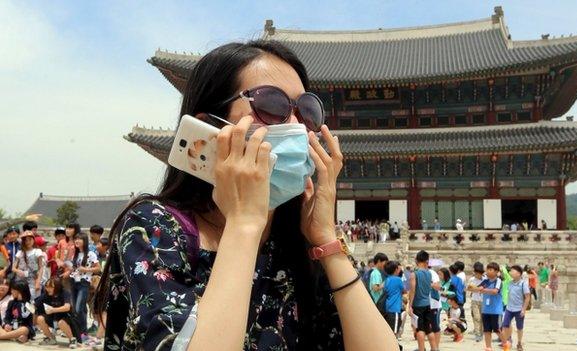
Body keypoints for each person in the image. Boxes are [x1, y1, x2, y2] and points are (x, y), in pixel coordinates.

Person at [94, 40, 399, 351]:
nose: (295, 125)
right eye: (271, 105)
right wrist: (243, 223)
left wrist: (328, 244)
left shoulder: (302, 247)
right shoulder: (154, 226)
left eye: (306, 111)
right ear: (210, 127)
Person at [69, 232, 99, 341]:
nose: (77, 241)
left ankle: (83, 332)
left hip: (83, 283)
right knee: (80, 309)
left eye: (79, 239)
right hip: (73, 282)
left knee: (78, 309)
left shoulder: (91, 254)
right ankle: (81, 333)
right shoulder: (75, 254)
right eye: (76, 239)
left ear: (84, 241)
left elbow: (98, 268)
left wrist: (86, 270)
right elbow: (74, 268)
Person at [408, 250, 439, 351]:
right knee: (428, 329)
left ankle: (421, 349)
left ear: (417, 260)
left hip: (418, 304)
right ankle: (434, 348)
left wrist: (410, 305)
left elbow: (412, 290)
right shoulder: (429, 273)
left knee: (420, 329)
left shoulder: (414, 274)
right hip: (427, 303)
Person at [35, 277, 78, 347]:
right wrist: (30, 307)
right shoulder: (46, 294)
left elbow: (67, 307)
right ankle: (51, 338)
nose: (47, 289)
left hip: (66, 317)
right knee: (40, 318)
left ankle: (72, 340)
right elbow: (35, 304)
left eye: (50, 287)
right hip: (53, 318)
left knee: (61, 323)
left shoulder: (64, 292)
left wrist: (53, 310)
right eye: (46, 286)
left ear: (57, 286)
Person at [501, 265, 530, 351]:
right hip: (509, 308)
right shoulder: (509, 283)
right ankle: (506, 341)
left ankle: (519, 343)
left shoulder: (523, 284)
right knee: (505, 325)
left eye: (512, 271)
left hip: (519, 309)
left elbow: (527, 297)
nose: (510, 272)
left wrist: (523, 309)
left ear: (518, 274)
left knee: (519, 327)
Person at [478, 262, 504, 351]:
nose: (488, 271)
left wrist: (483, 290)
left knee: (497, 329)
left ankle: (505, 342)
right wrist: (472, 288)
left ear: (496, 271)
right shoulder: (485, 281)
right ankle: (488, 347)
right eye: (487, 269)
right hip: (485, 309)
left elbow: (495, 291)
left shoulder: (498, 281)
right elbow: (478, 289)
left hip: (496, 310)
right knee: (486, 330)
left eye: (490, 270)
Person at [12, 230, 44, 300]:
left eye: (30, 239)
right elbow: (13, 268)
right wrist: (18, 271)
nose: (28, 242)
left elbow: (41, 267)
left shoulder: (37, 251)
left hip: (33, 280)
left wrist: (38, 281)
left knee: (33, 300)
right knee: (21, 299)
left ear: (33, 240)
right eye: (25, 240)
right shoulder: (20, 252)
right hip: (21, 281)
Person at [0, 278, 34, 342]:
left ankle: (4, 336)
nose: (11, 291)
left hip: (22, 328)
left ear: (19, 291)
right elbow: (7, 318)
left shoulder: (29, 305)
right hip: (11, 328)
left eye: (13, 290)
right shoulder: (11, 303)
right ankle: (10, 336)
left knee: (24, 330)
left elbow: (30, 322)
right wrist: (6, 324)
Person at [383, 261, 406, 339]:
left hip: (388, 308)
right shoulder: (398, 280)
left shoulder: (387, 280)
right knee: (394, 333)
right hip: (395, 309)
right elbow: (404, 290)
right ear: (396, 269)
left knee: (389, 331)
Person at [466, 262, 485, 342]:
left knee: (483, 318)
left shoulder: (485, 279)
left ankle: (482, 332)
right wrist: (478, 289)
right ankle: (478, 334)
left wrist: (475, 289)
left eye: (479, 273)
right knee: (477, 318)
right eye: (476, 273)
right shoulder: (472, 279)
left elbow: (485, 289)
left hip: (483, 301)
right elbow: (468, 288)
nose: (477, 275)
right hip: (475, 301)